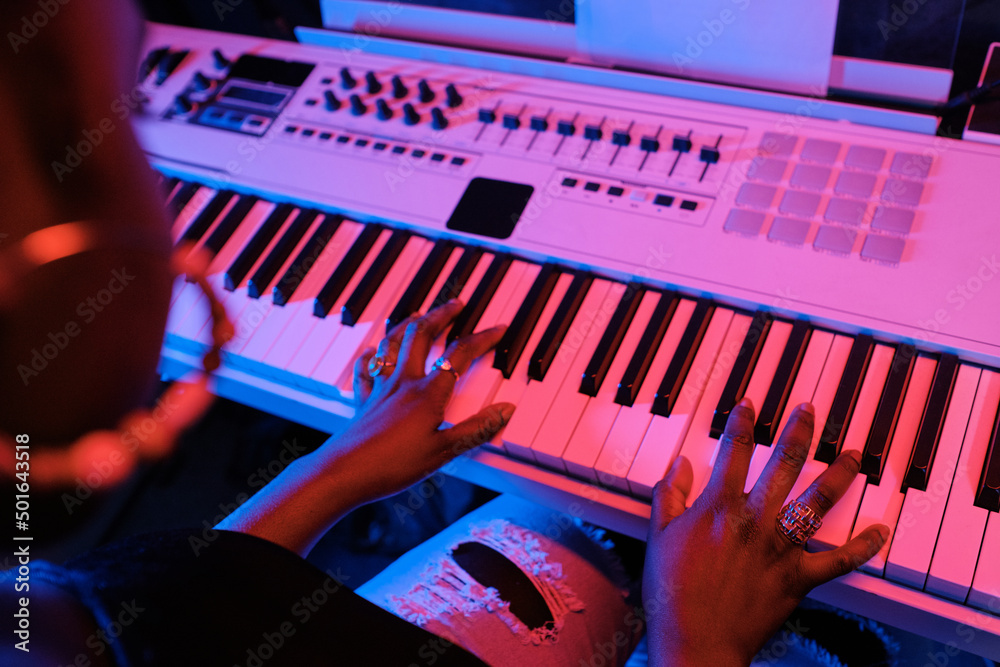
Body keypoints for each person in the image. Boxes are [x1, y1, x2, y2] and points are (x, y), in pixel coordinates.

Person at [0, 0, 890, 664]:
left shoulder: (27, 617)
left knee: (559, 502)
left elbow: (153, 610)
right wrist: (696, 637)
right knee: (598, 522)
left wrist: (334, 466)